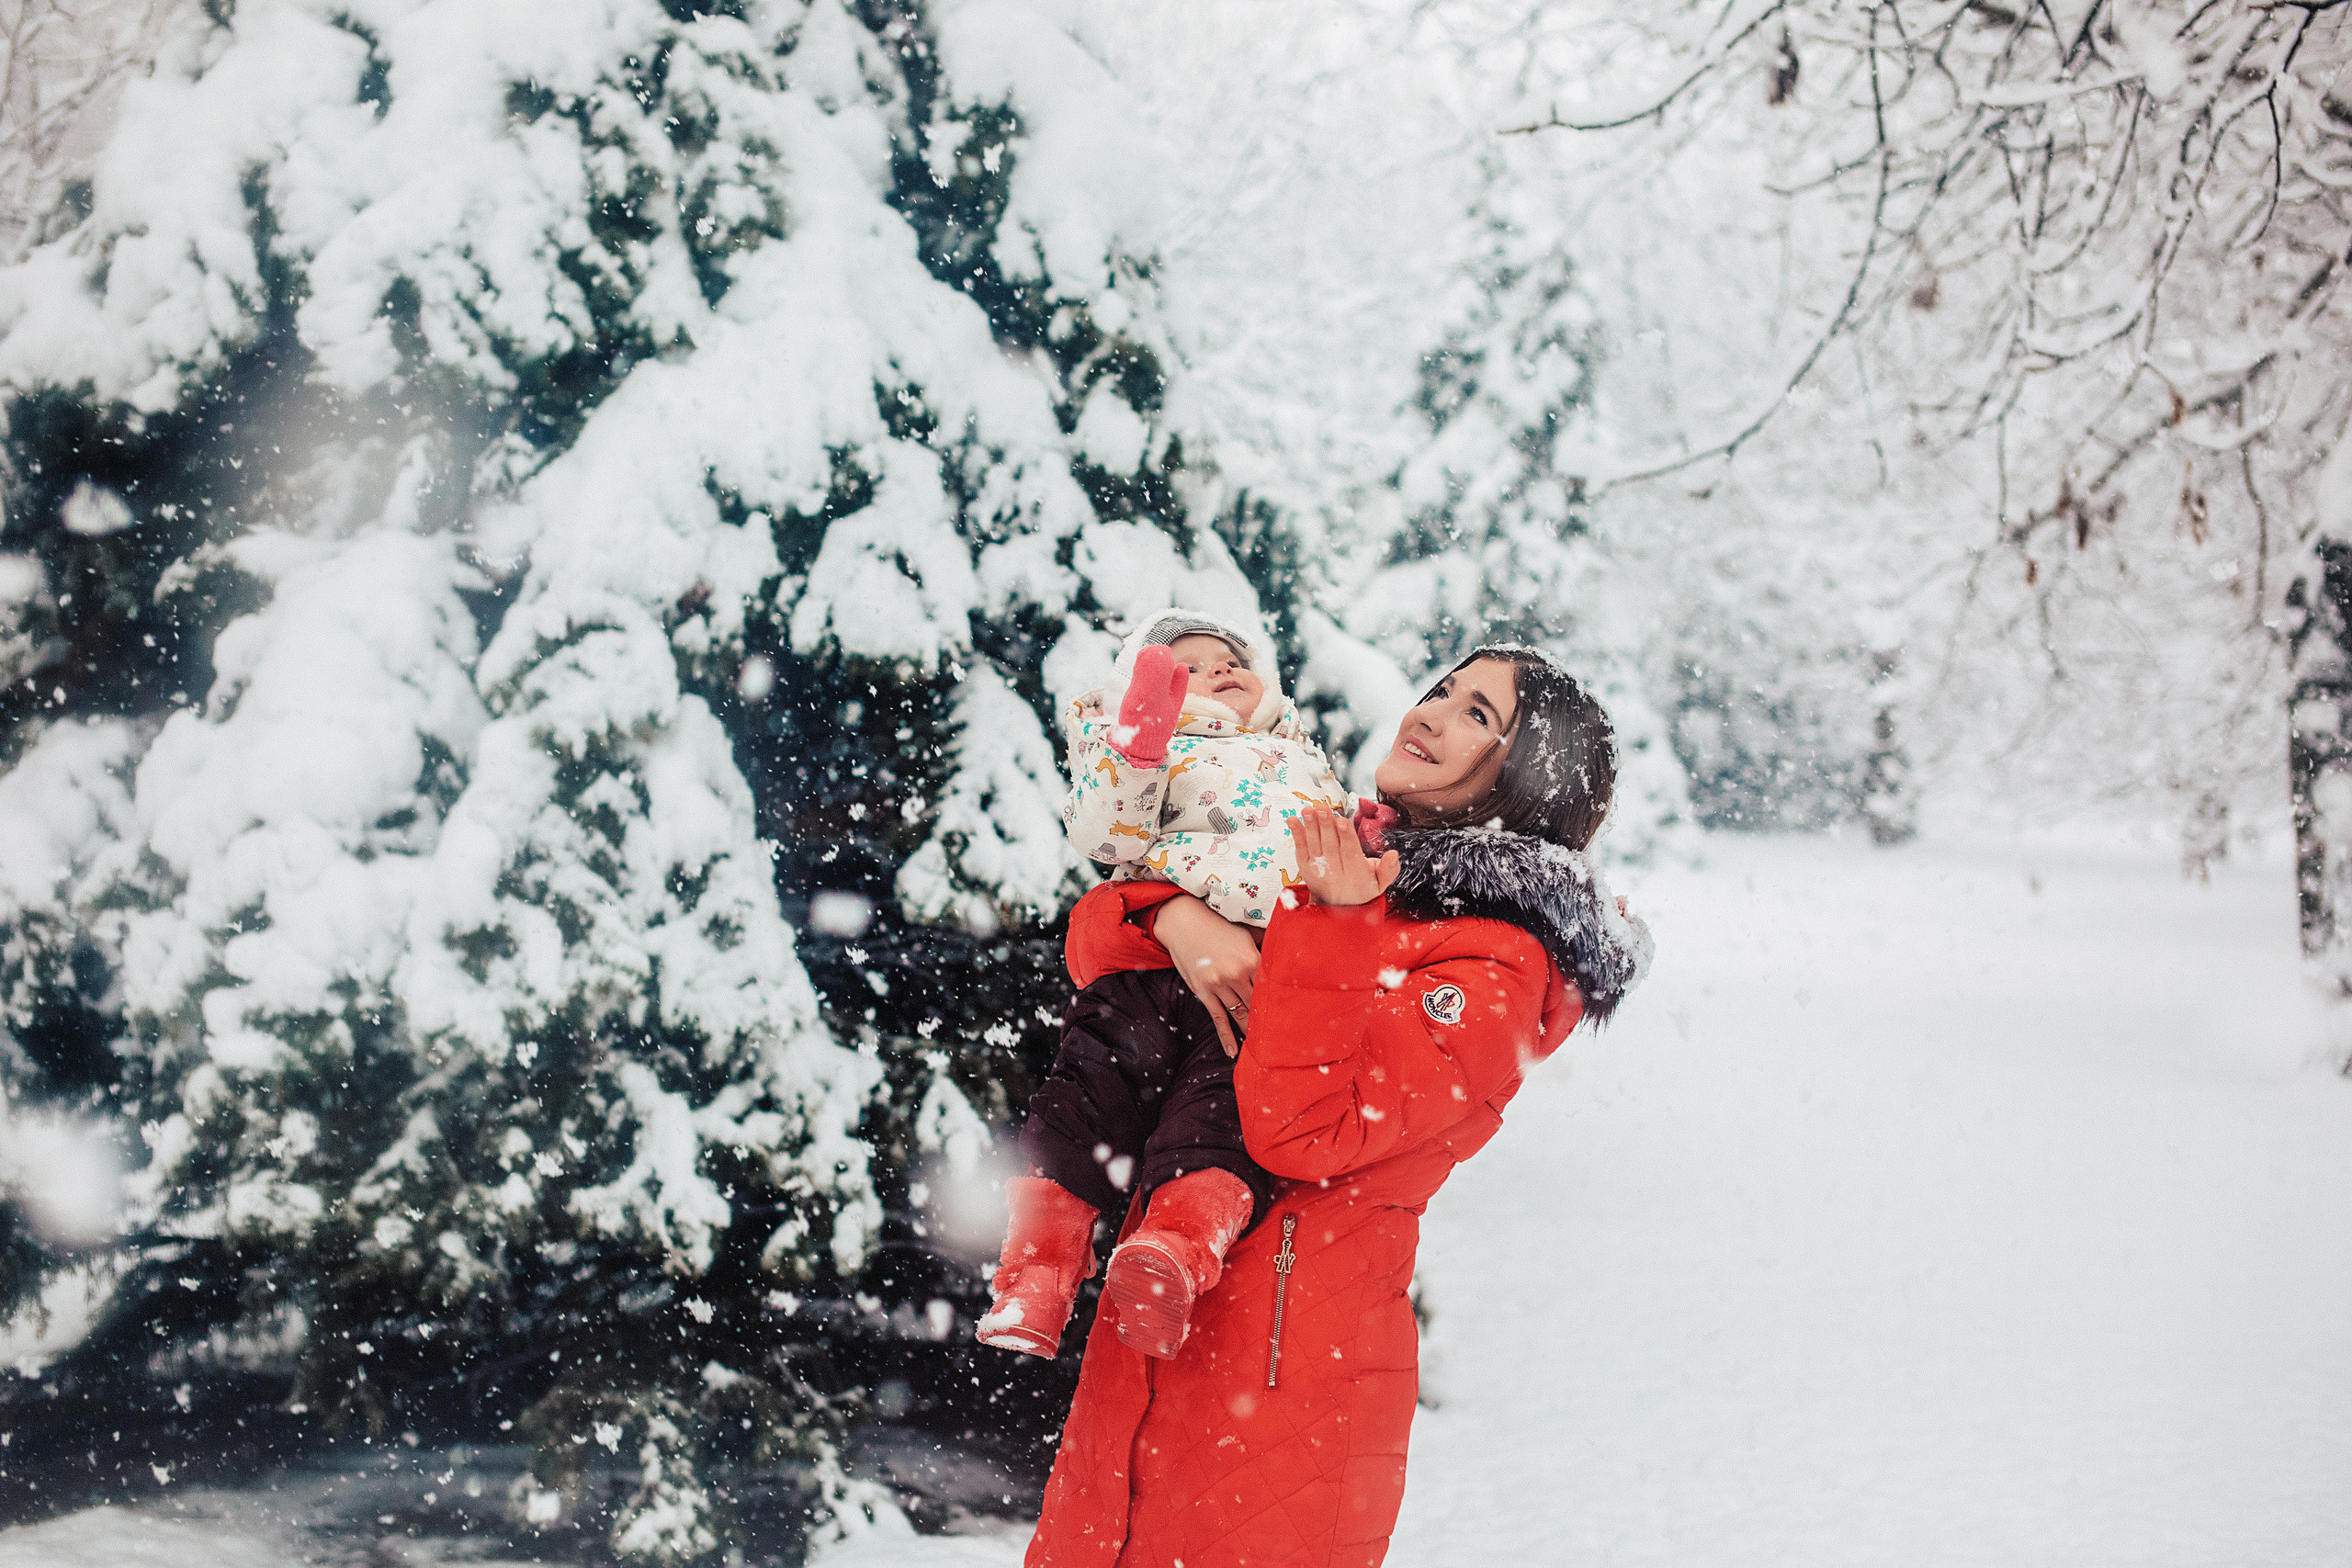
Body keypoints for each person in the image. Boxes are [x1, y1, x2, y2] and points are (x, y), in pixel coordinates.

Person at [1023, 644, 1653, 1568]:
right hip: (1158, 1328)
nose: (1430, 714)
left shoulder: (1495, 961)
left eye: (1480, 715)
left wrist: (1334, 921)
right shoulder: (1336, 854)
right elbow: (1100, 959)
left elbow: (1302, 1127)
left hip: (1285, 1382)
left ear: (1529, 782)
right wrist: (1173, 918)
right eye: (1443, 689)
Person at [978, 609, 1363, 1362]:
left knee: (1220, 1122)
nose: (1217, 669)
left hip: (1259, 983)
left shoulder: (1299, 755)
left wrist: (1367, 834)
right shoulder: (1147, 747)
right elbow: (1106, 836)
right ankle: (1037, 1271)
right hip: (1151, 972)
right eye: (1187, 665)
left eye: (1230, 658)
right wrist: (1142, 740)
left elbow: (1346, 854)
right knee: (1081, 1101)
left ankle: (1174, 1255)